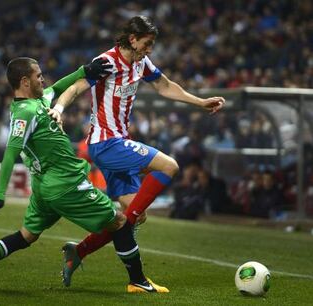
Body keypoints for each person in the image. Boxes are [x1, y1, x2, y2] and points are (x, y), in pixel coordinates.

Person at [0, 57, 168, 293]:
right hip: (66, 185)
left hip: (44, 187)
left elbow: (56, 89)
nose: (43, 78)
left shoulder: (38, 101)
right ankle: (137, 281)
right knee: (120, 222)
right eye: (38, 75)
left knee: (26, 236)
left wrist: (83, 70)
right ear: (25, 81)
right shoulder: (24, 114)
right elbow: (9, 155)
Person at [48, 15, 225, 286]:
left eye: (152, 44)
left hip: (118, 142)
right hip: (105, 144)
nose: (149, 49)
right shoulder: (106, 62)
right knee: (170, 166)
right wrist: (58, 110)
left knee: (133, 216)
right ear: (133, 39)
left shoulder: (141, 62)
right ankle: (136, 277)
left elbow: (165, 85)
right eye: (147, 43)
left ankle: (80, 251)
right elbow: (75, 87)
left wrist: (199, 102)